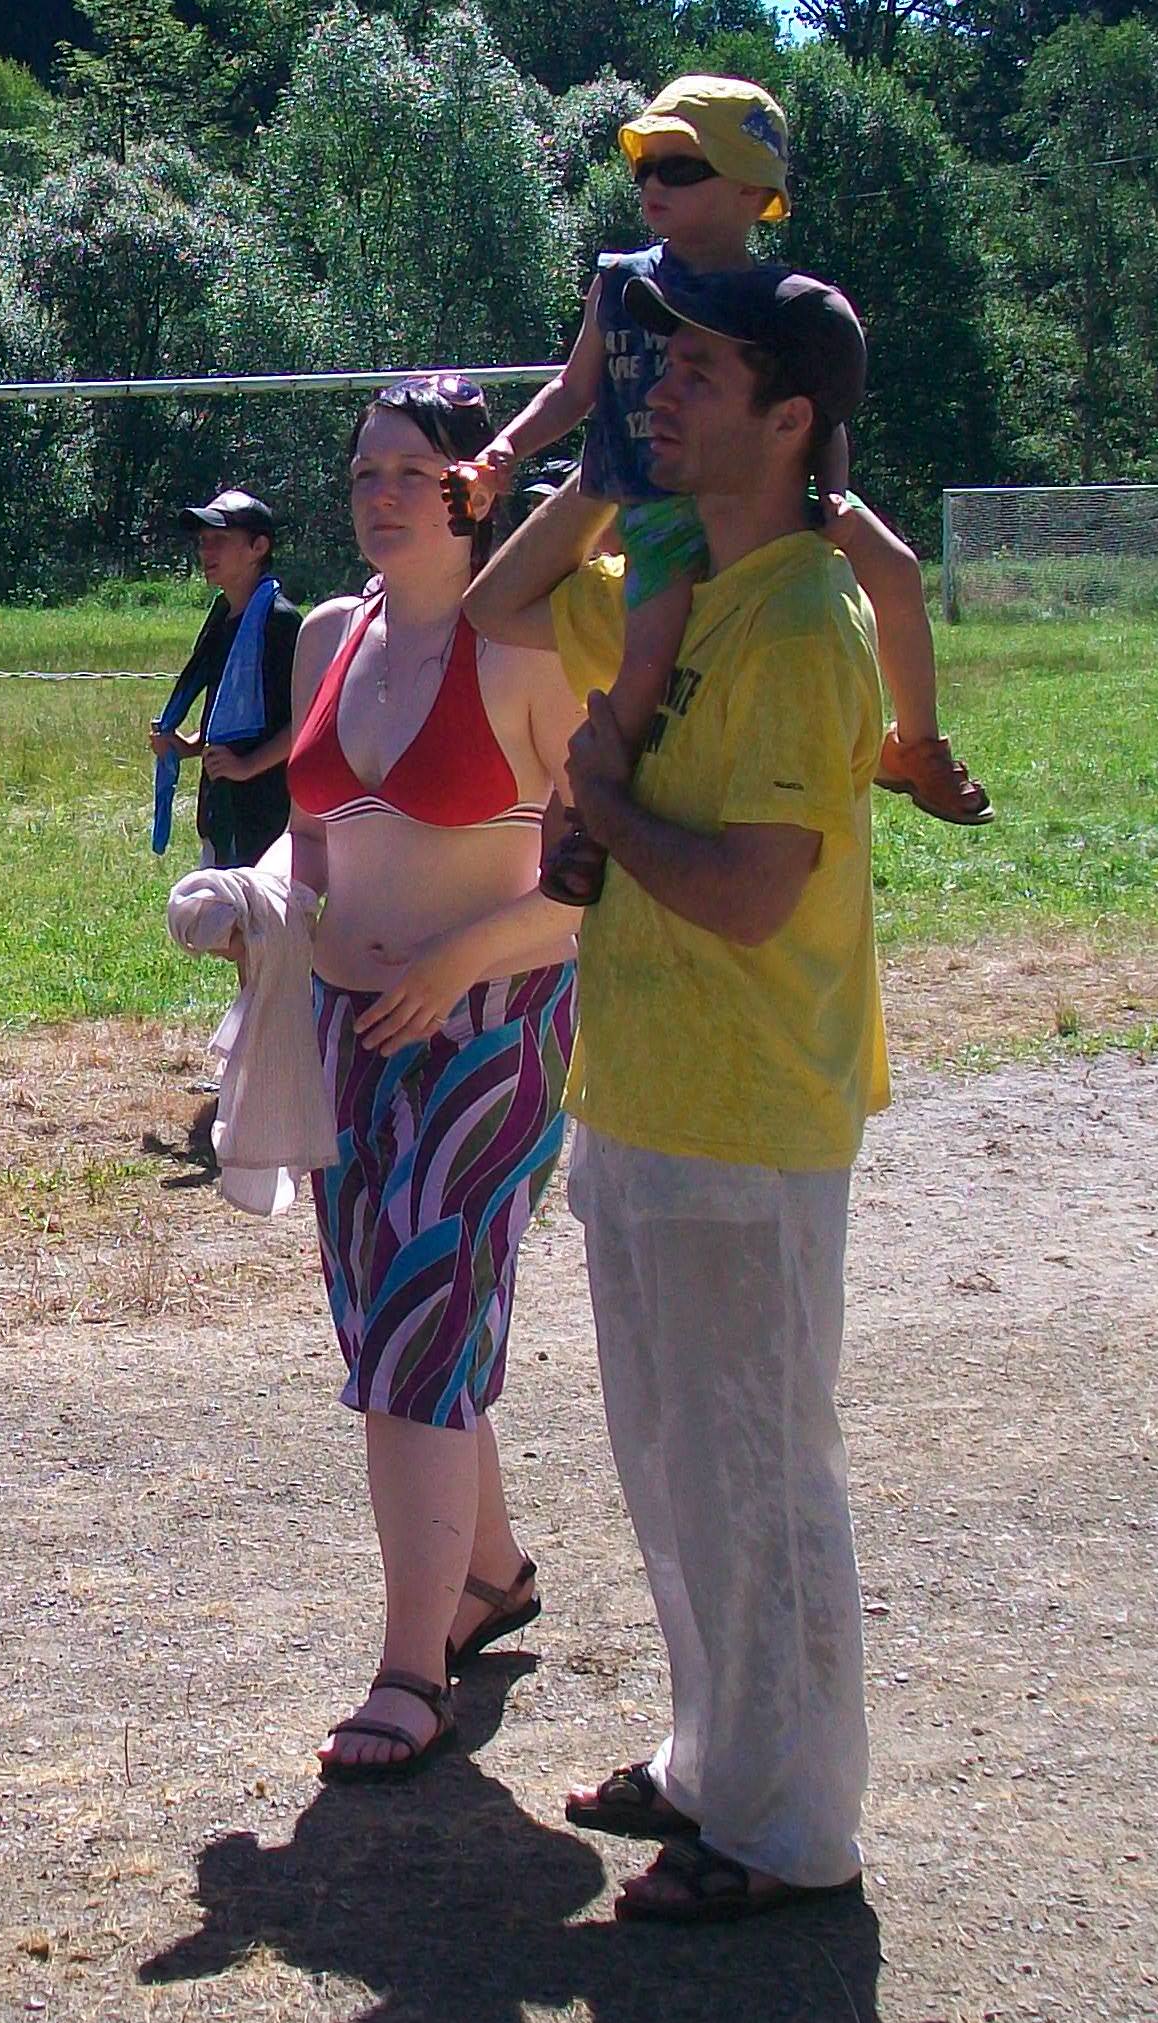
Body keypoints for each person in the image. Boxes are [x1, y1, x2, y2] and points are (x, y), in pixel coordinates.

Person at [464, 269, 888, 1924]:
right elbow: (500, 597)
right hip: (646, 1092)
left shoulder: (796, 619)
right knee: (671, 1462)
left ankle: (792, 1828)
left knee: (757, 1474)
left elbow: (752, 893)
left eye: (699, 371)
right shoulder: (686, 584)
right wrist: (593, 462)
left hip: (746, 1112)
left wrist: (605, 802)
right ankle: (717, 1758)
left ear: (788, 420)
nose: (660, 383)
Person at [451, 73, 990, 907]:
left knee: (896, 570)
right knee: (650, 651)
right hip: (654, 508)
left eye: (680, 167)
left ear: (752, 192)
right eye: (645, 167)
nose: (653, 184)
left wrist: (833, 499)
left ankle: (915, 743)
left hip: (759, 518)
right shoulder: (621, 281)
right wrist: (505, 451)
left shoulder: (773, 305)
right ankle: (587, 813)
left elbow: (822, 416)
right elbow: (573, 388)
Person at [285, 379, 584, 1782]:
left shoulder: (525, 645)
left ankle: (411, 1670)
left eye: (415, 471)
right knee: (400, 1318)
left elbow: (588, 885)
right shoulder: (325, 635)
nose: (383, 494)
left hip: (491, 1026)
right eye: (365, 471)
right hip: (348, 1030)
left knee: (412, 1327)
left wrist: (456, 960)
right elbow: (310, 843)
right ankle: (491, 1572)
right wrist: (271, 919)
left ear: (478, 488)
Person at [148, 490, 303, 871]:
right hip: (222, 811)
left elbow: (307, 721)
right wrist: (188, 745)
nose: (206, 551)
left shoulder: (281, 622)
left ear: (258, 547)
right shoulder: (222, 617)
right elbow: (225, 709)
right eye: (203, 541)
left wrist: (247, 766)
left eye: (220, 539)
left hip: (267, 819)